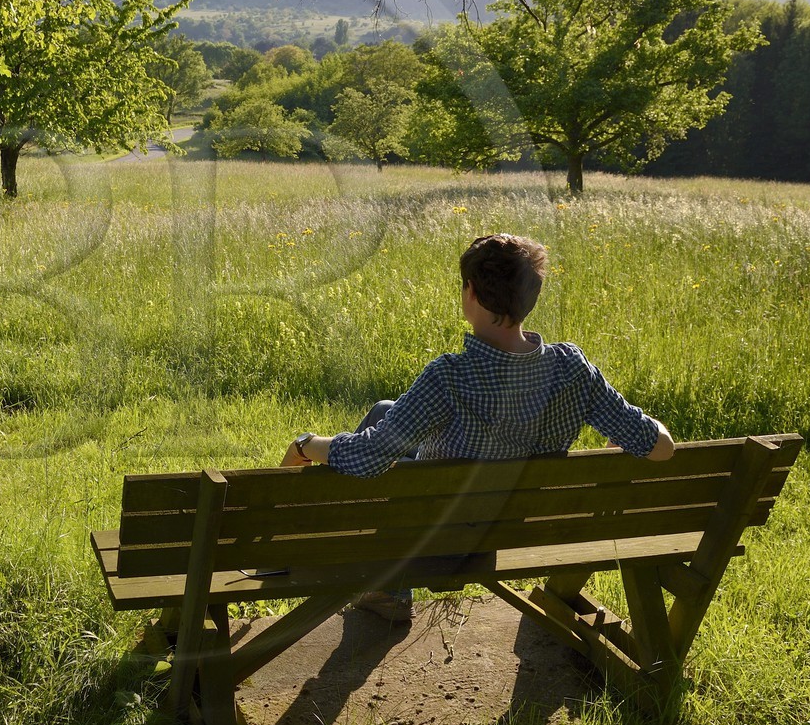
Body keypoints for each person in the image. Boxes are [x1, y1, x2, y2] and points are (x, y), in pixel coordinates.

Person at [279, 232, 675, 620]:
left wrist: (304, 444)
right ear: (530, 299)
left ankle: (387, 585)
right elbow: (662, 448)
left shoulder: (450, 377)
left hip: (439, 537)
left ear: (470, 292)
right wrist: (638, 427)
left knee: (382, 438)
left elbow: (367, 458)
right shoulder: (572, 368)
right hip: (514, 528)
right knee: (387, 410)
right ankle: (386, 589)